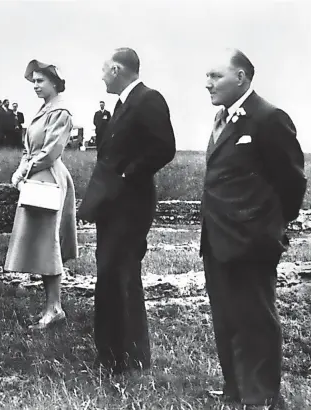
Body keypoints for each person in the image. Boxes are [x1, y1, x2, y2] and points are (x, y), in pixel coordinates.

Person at [201, 49, 306, 409]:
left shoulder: (268, 118)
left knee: (255, 317)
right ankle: (235, 389)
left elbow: (291, 181)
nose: (208, 83)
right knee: (226, 315)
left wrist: (272, 225)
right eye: (207, 76)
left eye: (216, 76)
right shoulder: (223, 118)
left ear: (241, 77)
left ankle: (260, 395)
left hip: (252, 239)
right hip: (216, 238)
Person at [77, 48, 176, 372]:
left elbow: (164, 147)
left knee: (121, 276)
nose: (102, 75)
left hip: (130, 206)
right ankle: (110, 353)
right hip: (112, 205)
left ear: (118, 69)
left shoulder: (148, 100)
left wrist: (127, 174)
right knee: (109, 276)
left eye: (105, 69)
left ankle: (130, 358)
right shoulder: (123, 104)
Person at [5, 59, 78, 330]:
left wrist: (26, 171)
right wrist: (22, 169)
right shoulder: (44, 109)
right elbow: (30, 148)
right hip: (37, 175)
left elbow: (50, 151)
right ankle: (51, 305)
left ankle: (54, 307)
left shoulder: (61, 111)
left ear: (55, 83)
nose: (35, 85)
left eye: (40, 81)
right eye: (33, 81)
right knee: (41, 242)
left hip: (48, 178)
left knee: (48, 243)